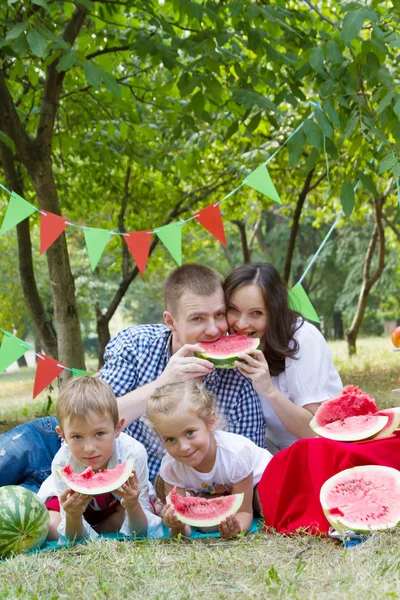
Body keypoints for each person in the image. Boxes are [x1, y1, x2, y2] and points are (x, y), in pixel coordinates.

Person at [0, 263, 265, 489]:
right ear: (170, 321)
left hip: (114, 484)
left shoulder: (239, 376)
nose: (213, 330)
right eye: (197, 319)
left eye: (219, 315)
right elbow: (87, 414)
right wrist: (164, 382)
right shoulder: (136, 344)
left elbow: (243, 468)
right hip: (56, 441)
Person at [223, 262, 343, 453]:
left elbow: (315, 430)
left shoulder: (303, 339)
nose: (241, 324)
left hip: (320, 449)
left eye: (256, 313)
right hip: (271, 451)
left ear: (275, 312)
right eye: (233, 309)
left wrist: (269, 390)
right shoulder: (236, 340)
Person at [38, 376, 162, 542]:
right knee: (51, 529)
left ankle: (96, 528)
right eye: (77, 437)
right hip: (76, 507)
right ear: (63, 436)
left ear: (117, 428)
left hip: (116, 507)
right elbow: (74, 539)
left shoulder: (132, 454)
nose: (89, 448)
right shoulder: (61, 463)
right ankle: (97, 527)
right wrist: (73, 516)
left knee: (132, 517)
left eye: (99, 434)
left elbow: (141, 532)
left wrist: (132, 506)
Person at [146, 381, 272, 539]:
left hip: (261, 479)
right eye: (171, 440)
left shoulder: (236, 455)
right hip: (224, 490)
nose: (183, 447)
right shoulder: (171, 468)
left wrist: (237, 529)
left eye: (190, 432)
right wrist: (177, 525)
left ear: (210, 422)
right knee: (206, 525)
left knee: (265, 507)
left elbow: (244, 512)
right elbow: (183, 530)